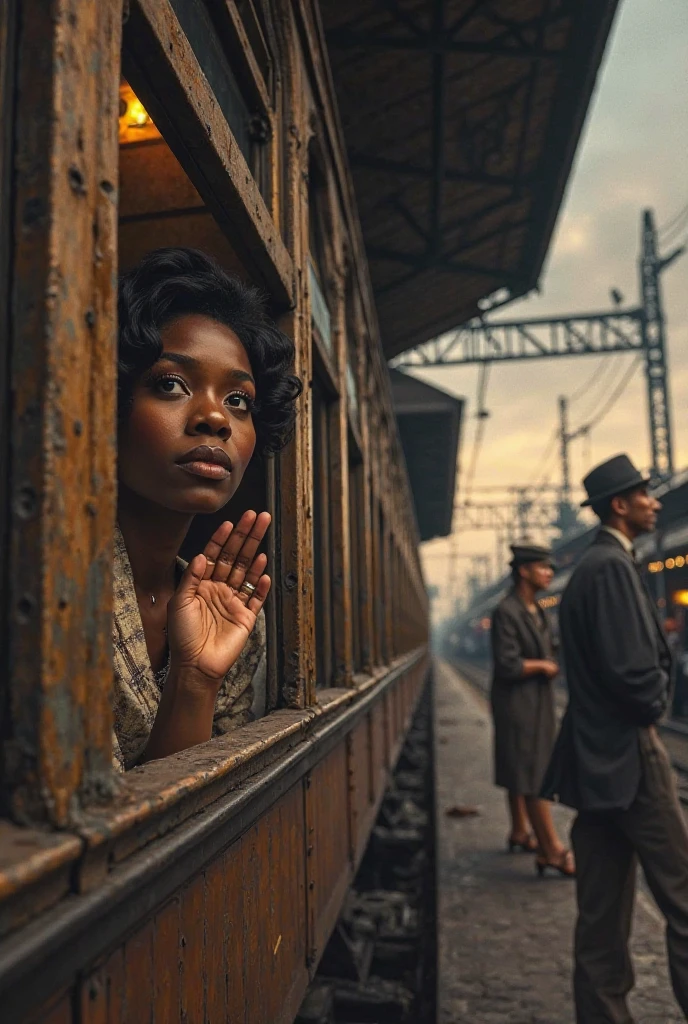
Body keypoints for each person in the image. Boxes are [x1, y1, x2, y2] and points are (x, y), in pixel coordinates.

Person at [113, 247, 302, 771]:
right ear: (108, 402)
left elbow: (193, 814)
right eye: (171, 384)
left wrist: (195, 679)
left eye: (239, 400)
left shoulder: (232, 615)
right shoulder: (47, 591)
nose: (216, 417)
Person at [542, 453, 688, 1023]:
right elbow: (632, 673)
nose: (655, 500)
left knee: (601, 916)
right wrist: (656, 704)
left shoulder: (594, 567)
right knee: (682, 899)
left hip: (595, 761)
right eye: (645, 493)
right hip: (629, 753)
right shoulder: (611, 567)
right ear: (621, 506)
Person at [490, 544, 574, 876]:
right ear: (524, 571)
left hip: (534, 701)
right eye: (543, 567)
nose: (550, 573)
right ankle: (551, 851)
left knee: (520, 766)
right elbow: (507, 665)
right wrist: (541, 665)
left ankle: (519, 831)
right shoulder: (507, 611)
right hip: (518, 703)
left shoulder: (534, 609)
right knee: (534, 773)